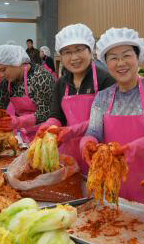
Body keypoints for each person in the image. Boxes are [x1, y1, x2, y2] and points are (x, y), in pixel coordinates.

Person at [79, 27, 144, 203]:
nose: (120, 63)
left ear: (138, 58)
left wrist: (132, 148)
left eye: (127, 55)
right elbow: (93, 132)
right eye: (113, 58)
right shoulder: (103, 96)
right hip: (113, 183)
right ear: (106, 64)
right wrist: (86, 143)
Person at [39, 24, 115, 171]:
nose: (74, 57)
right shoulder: (61, 83)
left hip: (97, 149)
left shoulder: (105, 79)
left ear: (90, 50)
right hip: (68, 152)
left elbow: (106, 119)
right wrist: (48, 125)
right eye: (67, 52)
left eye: (79, 50)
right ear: (60, 56)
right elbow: (57, 115)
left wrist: (71, 131)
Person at [0, 44, 55, 142]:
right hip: (23, 133)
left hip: (45, 134)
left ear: (16, 62)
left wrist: (18, 121)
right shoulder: (6, 82)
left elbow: (45, 113)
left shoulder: (41, 76)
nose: (1, 75)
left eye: (3, 70)